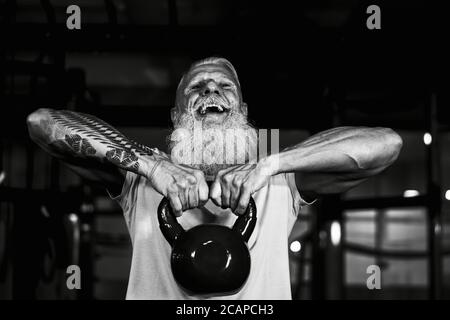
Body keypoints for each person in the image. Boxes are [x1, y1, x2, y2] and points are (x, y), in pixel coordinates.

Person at [27, 57, 402, 299]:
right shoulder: (141, 178)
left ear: (243, 110)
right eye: (197, 87)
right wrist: (151, 165)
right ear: (177, 116)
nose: (210, 90)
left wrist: (269, 165)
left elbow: (386, 144)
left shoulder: (279, 181)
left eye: (225, 86)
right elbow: (41, 123)